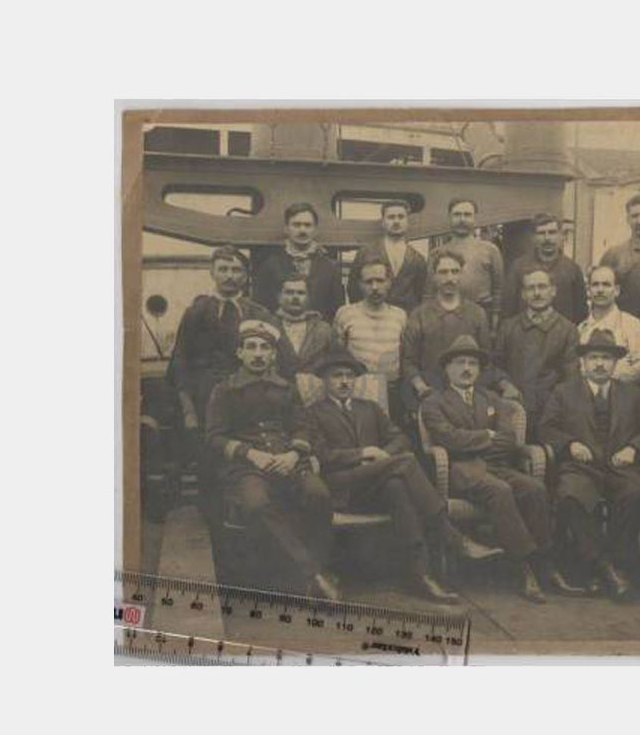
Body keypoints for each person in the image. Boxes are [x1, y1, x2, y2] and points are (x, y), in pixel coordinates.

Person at [304, 350, 495, 604]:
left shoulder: (369, 408)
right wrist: (363, 453)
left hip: (377, 482)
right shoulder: (313, 413)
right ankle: (453, 537)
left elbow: (400, 438)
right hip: (342, 487)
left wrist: (383, 456)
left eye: (349, 376)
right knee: (405, 462)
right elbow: (322, 454)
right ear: (325, 381)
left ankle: (419, 575)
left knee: (396, 485)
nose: (344, 381)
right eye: (337, 376)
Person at [420, 335, 582, 604]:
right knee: (500, 490)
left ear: (479, 369)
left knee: (534, 488)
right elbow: (447, 438)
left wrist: (476, 440)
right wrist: (487, 435)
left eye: (472, 363)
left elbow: (508, 439)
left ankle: (545, 563)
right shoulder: (433, 402)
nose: (466, 368)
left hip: (497, 465)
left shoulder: (492, 399)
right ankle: (524, 567)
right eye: (460, 362)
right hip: (462, 471)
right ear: (447, 368)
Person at [204, 319, 340, 600]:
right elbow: (214, 437)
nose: (258, 353)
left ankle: (318, 566)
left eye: (264, 348)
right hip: (247, 467)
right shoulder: (224, 390)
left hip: (288, 461)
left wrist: (293, 454)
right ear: (240, 352)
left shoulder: (286, 388)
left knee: (319, 495)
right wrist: (250, 453)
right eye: (251, 347)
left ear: (273, 354)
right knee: (256, 505)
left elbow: (302, 427)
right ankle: (313, 574)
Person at [539, 329, 640, 602]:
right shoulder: (564, 392)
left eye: (606, 358)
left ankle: (615, 564)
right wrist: (569, 444)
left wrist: (633, 448)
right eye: (594, 358)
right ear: (583, 361)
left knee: (636, 494)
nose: (600, 364)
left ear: (615, 363)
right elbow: (546, 427)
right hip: (582, 467)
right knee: (570, 496)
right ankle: (605, 568)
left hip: (620, 467)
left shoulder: (633, 394)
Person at [166, 245, 273, 434]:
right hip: (204, 395)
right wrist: (188, 410)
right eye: (223, 269)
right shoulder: (196, 312)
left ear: (245, 276)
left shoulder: (258, 313)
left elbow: (270, 359)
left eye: (236, 270)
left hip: (246, 395)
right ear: (212, 273)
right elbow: (180, 361)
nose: (229, 276)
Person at [401, 249, 518, 415]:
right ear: (434, 277)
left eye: (455, 271)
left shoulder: (476, 314)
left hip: (469, 399)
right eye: (443, 272)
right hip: (433, 396)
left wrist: (504, 384)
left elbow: (486, 361)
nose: (449, 278)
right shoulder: (419, 315)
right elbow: (408, 361)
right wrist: (421, 387)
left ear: (462, 275)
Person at [494, 266, 580, 428]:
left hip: (551, 413)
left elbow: (571, 376)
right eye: (530, 288)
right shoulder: (509, 327)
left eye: (542, 287)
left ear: (553, 291)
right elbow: (494, 366)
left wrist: (555, 403)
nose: (537, 293)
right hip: (514, 410)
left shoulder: (568, 330)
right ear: (523, 294)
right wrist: (505, 384)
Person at [333, 253, 408, 419]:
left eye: (380, 281)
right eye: (368, 282)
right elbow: (337, 356)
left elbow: (405, 358)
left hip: (392, 392)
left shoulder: (400, 316)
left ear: (389, 283)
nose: (374, 287)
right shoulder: (345, 314)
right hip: (356, 392)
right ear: (360, 284)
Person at [251, 202, 345, 321]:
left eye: (307, 225)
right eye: (296, 225)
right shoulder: (270, 265)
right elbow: (260, 307)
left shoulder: (330, 267)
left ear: (315, 230)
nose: (302, 230)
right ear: (286, 229)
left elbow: (337, 309)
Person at [425, 198, 504, 331]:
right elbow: (429, 292)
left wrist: (495, 319)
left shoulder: (490, 250)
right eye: (457, 214)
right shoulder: (437, 253)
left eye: (467, 215)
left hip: (482, 314)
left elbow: (498, 289)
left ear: (475, 219)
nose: (462, 219)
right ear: (449, 218)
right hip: (446, 316)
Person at [501, 213, 588, 324]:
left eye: (552, 232)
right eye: (541, 233)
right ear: (533, 237)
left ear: (561, 236)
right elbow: (508, 310)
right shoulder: (518, 268)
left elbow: (581, 313)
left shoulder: (572, 269)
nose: (547, 238)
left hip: (561, 333)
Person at [347, 200, 427, 312]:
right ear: (383, 222)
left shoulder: (418, 259)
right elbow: (353, 290)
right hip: (372, 316)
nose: (396, 221)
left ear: (407, 222)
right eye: (391, 217)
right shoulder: (365, 253)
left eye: (401, 217)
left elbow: (420, 295)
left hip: (406, 318)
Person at [578, 265, 640, 385]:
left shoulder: (632, 324)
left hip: (622, 392)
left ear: (616, 290)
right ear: (588, 290)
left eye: (606, 285)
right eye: (595, 285)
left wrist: (607, 380)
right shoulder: (581, 329)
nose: (600, 290)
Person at [598, 191, 640, 320]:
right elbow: (600, 296)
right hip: (625, 325)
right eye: (635, 216)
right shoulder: (613, 256)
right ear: (628, 220)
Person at [273, 273, 334, 380]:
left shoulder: (323, 329)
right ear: (279, 297)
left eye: (301, 293)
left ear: (309, 297)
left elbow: (332, 363)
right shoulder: (269, 326)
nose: (295, 297)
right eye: (289, 292)